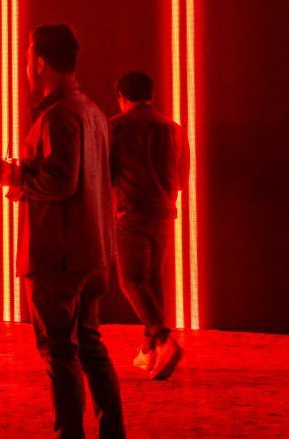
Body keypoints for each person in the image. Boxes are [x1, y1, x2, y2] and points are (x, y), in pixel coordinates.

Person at [0, 25, 124, 439]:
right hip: (92, 250)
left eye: (28, 56)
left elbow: (62, 182)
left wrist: (15, 176)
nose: (25, 65)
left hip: (57, 255)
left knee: (60, 352)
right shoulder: (94, 112)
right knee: (91, 347)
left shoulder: (58, 116)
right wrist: (23, 176)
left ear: (41, 62)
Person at [109, 71, 188, 380]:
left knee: (131, 282)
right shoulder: (173, 129)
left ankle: (165, 340)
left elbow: (105, 172)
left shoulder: (115, 128)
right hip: (165, 213)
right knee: (152, 280)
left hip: (130, 213)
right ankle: (149, 351)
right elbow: (181, 180)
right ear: (151, 95)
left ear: (120, 96)